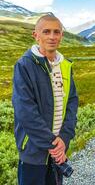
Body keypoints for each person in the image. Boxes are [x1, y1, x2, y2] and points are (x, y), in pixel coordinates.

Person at [12, 14, 78, 185]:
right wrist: (53, 144)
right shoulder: (24, 65)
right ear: (36, 35)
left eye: (56, 32)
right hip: (34, 149)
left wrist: (64, 138)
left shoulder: (65, 65)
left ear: (62, 35)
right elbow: (25, 111)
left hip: (59, 147)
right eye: (46, 31)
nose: (52, 36)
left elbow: (72, 103)